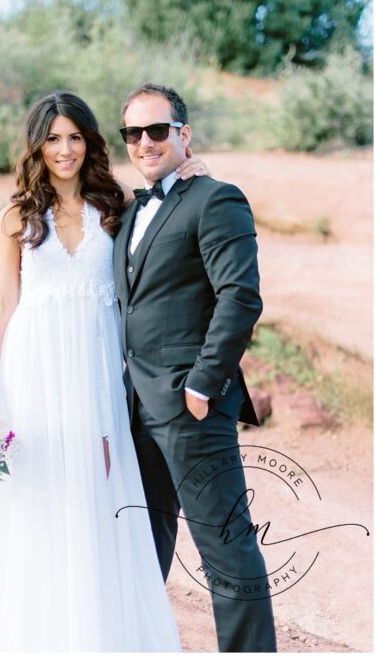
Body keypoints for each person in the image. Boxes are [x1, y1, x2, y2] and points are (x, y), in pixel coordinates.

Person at [0, 92, 211, 651]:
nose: (65, 150)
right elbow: (2, 305)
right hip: (34, 368)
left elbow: (167, 223)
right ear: (37, 145)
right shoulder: (15, 217)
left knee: (103, 491)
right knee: (44, 498)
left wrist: (193, 173)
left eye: (75, 137)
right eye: (53, 138)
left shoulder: (117, 205)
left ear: (90, 142)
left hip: (100, 366)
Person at [117, 83, 276, 652]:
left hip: (192, 406)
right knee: (142, 545)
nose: (144, 142)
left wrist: (204, 384)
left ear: (183, 134)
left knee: (226, 546)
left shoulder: (216, 198)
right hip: (134, 408)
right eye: (132, 133)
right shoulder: (132, 210)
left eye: (157, 130)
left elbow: (240, 297)